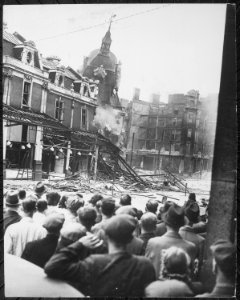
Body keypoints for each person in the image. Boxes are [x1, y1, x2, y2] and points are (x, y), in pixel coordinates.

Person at [45, 214, 156, 297]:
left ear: (106, 236)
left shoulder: (94, 262)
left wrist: (79, 244)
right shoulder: (145, 264)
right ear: (131, 238)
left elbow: (52, 266)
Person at [145, 203, 197, 278]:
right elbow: (191, 274)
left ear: (166, 223)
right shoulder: (191, 247)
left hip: (155, 286)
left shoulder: (153, 242)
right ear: (181, 224)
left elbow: (146, 269)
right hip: (180, 288)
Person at [179, 202, 205, 276]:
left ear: (185, 218)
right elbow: (199, 265)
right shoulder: (201, 240)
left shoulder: (175, 234)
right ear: (197, 218)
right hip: (189, 277)